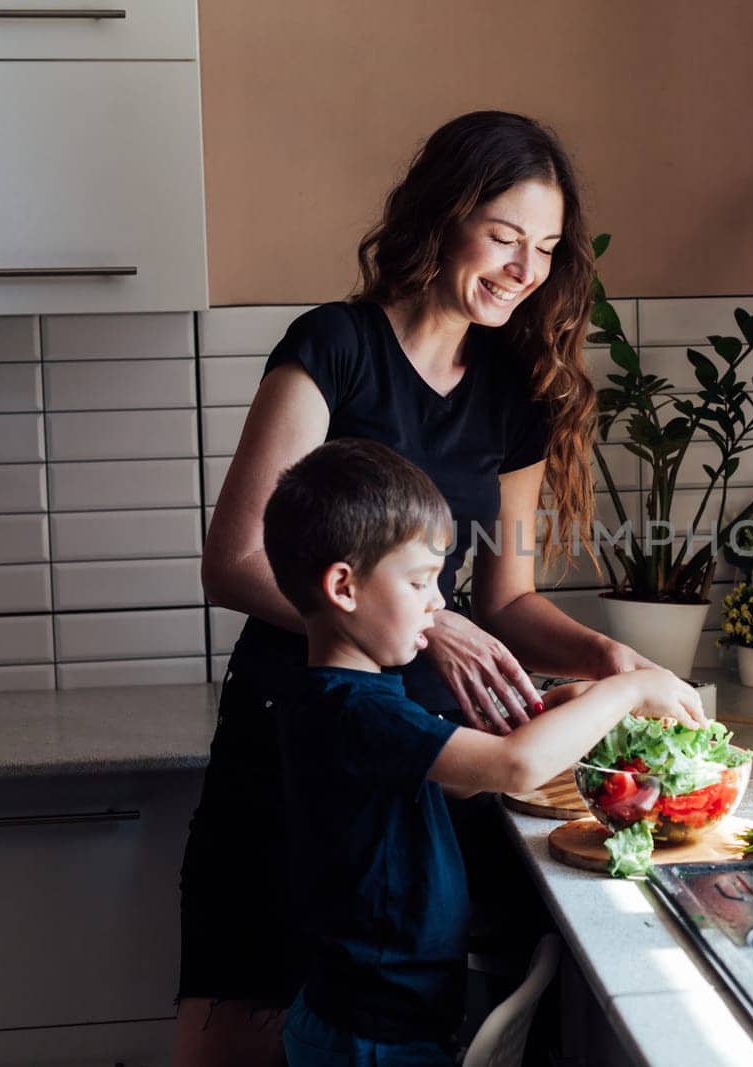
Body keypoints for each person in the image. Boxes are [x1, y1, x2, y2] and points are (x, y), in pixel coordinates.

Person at [174, 111, 665, 1066]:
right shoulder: (336, 346)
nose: (527, 269)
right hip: (293, 745)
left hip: (432, 766)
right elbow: (234, 559)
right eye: (506, 237)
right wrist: (430, 626)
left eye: (549, 249)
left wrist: (611, 658)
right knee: (236, 1035)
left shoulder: (517, 389)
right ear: (444, 218)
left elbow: (510, 600)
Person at [262, 439, 704, 1066]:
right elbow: (515, 766)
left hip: (385, 1016)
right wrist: (627, 688)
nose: (438, 603)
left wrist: (555, 712)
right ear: (344, 587)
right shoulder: (353, 709)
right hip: (369, 1037)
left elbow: (460, 776)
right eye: (419, 581)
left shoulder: (356, 692)